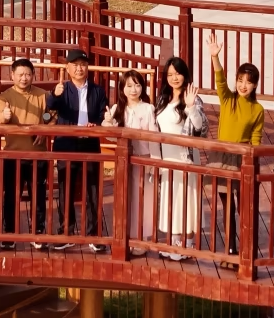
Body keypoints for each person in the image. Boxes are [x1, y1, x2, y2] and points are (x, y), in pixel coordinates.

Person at [207, 31, 263, 262]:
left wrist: (254, 162)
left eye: (248, 82)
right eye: (240, 80)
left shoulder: (257, 110)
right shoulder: (228, 99)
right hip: (222, 157)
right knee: (227, 206)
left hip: (244, 159)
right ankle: (230, 250)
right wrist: (214, 57)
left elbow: (257, 139)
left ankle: (247, 249)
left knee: (245, 207)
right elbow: (220, 80)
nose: (243, 85)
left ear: (255, 85)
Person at [45, 48, 108, 251]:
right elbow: (49, 108)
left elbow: (101, 113)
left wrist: (95, 124)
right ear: (68, 68)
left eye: (83, 65)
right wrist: (54, 95)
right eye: (75, 65)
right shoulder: (63, 88)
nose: (79, 68)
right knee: (66, 189)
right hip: (66, 143)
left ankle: (94, 233)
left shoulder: (98, 90)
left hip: (89, 142)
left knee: (92, 189)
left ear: (87, 67)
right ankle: (66, 232)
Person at [152, 56, 207, 261]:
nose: (174, 78)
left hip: (185, 158)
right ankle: (173, 242)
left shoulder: (192, 97)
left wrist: (191, 107)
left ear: (185, 75)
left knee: (186, 200)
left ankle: (188, 243)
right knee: (171, 200)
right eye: (170, 74)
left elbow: (200, 128)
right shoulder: (162, 98)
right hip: (167, 158)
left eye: (178, 73)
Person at [101, 68, 158, 253]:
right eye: (129, 86)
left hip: (143, 159)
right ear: (122, 88)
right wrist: (108, 123)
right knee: (125, 198)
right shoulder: (118, 109)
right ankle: (125, 236)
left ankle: (141, 238)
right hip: (124, 162)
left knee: (143, 199)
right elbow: (111, 137)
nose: (133, 89)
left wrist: (154, 162)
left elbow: (154, 138)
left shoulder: (148, 108)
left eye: (137, 85)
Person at [0, 58, 49, 250]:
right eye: (20, 74)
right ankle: (8, 233)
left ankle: (39, 233)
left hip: (38, 155)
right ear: (12, 75)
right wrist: (5, 117)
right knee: (10, 196)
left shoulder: (43, 95)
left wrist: (43, 126)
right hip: (13, 155)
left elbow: (50, 115)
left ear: (33, 75)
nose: (24, 78)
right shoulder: (4, 97)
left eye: (28, 74)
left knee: (39, 196)